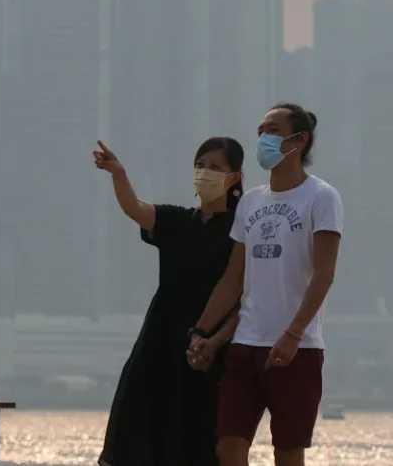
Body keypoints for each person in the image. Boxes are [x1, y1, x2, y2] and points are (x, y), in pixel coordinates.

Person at [187, 104, 341, 466]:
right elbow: (233, 279)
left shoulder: (321, 197)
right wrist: (202, 332)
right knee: (228, 448)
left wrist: (293, 333)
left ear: (299, 140)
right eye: (260, 131)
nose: (263, 139)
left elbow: (324, 274)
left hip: (297, 350)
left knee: (287, 452)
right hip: (245, 346)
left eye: (272, 130)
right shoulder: (251, 201)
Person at [94, 136, 244, 466]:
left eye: (215, 167)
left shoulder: (241, 231)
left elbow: (242, 294)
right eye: (200, 166)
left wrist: (211, 339)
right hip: (158, 341)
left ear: (234, 177)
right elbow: (135, 208)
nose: (205, 173)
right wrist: (119, 174)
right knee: (138, 435)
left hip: (206, 350)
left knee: (196, 439)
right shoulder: (178, 221)